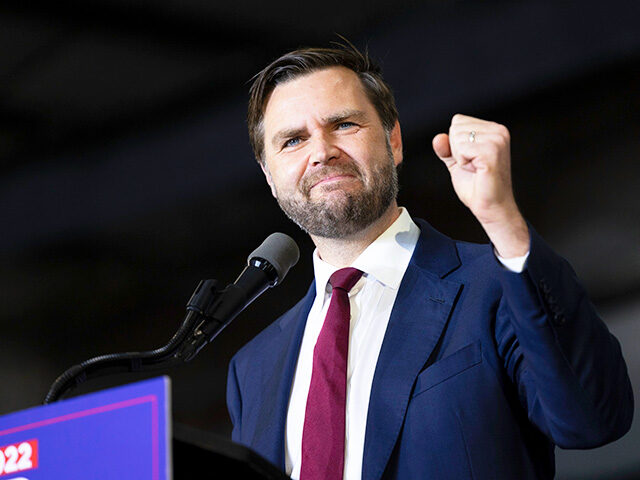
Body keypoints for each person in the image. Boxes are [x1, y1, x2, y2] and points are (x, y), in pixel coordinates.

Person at [226, 43, 633, 480]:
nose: (321, 151)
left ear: (393, 139)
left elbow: (592, 418)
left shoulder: (495, 283)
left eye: (343, 124)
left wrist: (503, 222)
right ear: (270, 177)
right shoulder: (252, 368)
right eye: (293, 140)